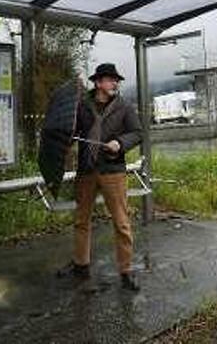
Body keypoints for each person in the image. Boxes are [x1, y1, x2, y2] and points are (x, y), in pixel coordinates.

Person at [56, 63, 143, 291]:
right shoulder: (82, 105)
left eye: (116, 80)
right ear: (98, 83)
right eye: (110, 79)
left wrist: (120, 143)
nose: (115, 83)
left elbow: (137, 133)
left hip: (113, 171)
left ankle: (126, 272)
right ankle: (81, 265)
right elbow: (75, 133)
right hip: (86, 171)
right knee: (81, 221)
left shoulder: (124, 106)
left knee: (122, 223)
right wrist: (67, 136)